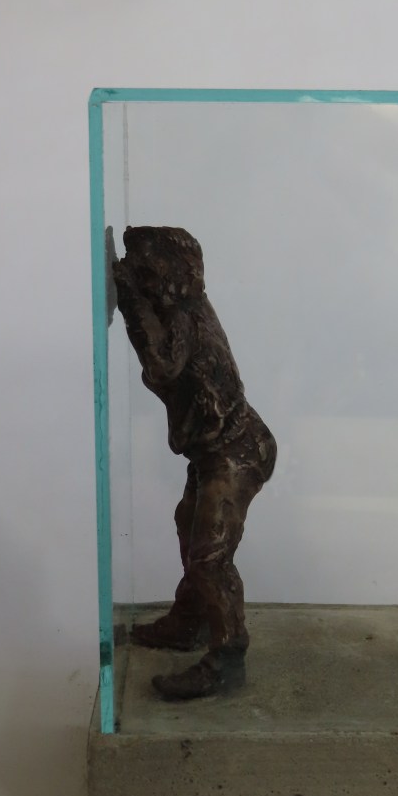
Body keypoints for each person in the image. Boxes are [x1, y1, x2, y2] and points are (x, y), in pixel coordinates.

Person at [113, 226, 276, 699]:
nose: (142, 277)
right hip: (214, 451)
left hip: (237, 451)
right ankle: (190, 621)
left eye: (146, 270)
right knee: (189, 525)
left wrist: (128, 298)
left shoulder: (185, 318)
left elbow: (161, 365)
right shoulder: (182, 311)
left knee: (209, 555)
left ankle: (227, 658)